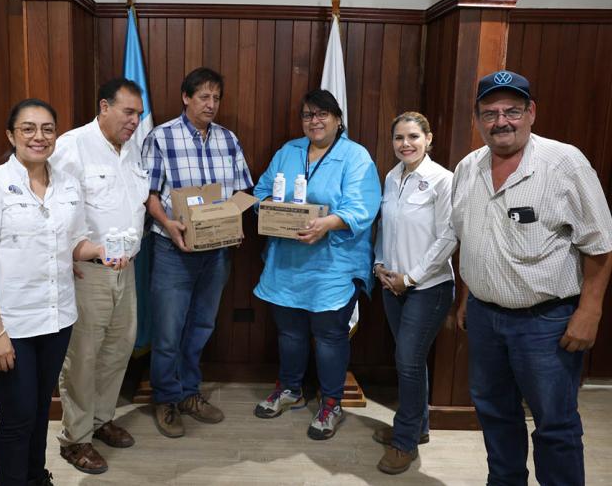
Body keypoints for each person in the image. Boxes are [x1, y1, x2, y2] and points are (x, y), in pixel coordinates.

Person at [452, 70, 612, 486]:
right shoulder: (468, 168)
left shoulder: (565, 164)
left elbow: (599, 244)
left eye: (512, 111)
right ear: (477, 119)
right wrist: (469, 293)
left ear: (531, 113)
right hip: (486, 320)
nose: (501, 121)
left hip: (546, 323)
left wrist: (590, 311)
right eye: (489, 113)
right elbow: (471, 236)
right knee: (494, 414)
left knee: (555, 425)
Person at [0, 99, 110, 486]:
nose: (38, 137)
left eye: (47, 129)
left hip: (57, 319)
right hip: (8, 324)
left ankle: (36, 477)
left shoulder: (67, 184)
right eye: (28, 128)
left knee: (41, 409)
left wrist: (99, 252)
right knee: (17, 416)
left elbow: (72, 243)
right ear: (11, 135)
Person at [252, 89, 381, 440]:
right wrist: (272, 213)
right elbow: (261, 191)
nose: (315, 121)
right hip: (287, 261)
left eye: (323, 114)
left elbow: (363, 207)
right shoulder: (288, 151)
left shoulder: (356, 156)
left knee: (328, 336)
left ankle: (331, 403)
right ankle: (291, 389)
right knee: (290, 332)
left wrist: (326, 224)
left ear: (338, 119)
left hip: (333, 263)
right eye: (308, 115)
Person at [142, 67, 253, 438]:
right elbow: (149, 195)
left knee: (202, 325)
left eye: (216, 98)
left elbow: (242, 191)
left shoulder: (228, 139)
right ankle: (167, 398)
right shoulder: (161, 137)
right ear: (186, 97)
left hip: (216, 252)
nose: (211, 104)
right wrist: (169, 225)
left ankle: (190, 392)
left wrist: (234, 224)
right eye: (204, 96)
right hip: (173, 249)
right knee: (169, 330)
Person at [50, 78, 147, 474]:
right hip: (88, 271)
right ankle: (75, 439)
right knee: (83, 357)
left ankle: (101, 418)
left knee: (118, 348)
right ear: (104, 106)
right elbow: (53, 208)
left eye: (139, 114)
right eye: (128, 112)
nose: (135, 121)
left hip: (127, 269)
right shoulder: (72, 147)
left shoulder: (132, 148)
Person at [372, 112, 457, 474]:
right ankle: (418, 427)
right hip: (392, 285)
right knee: (411, 361)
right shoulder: (392, 177)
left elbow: (449, 237)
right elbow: (385, 227)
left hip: (429, 288)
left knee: (407, 360)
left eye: (413, 137)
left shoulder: (443, 180)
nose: (405, 144)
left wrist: (412, 278)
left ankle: (404, 442)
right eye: (398, 138)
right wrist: (378, 264)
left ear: (429, 139)